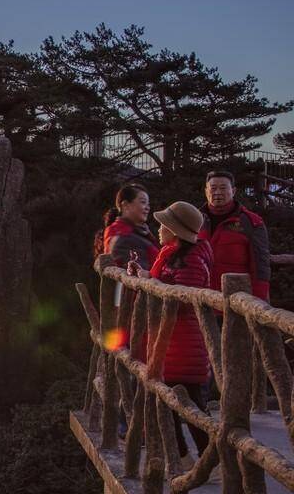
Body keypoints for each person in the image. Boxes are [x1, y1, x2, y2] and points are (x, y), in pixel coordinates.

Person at [143, 200, 215, 469]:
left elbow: (184, 300)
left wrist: (155, 287)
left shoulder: (193, 260)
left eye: (164, 225)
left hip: (185, 343)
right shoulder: (171, 255)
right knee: (172, 404)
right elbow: (162, 285)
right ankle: (184, 458)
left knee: (192, 407)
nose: (159, 229)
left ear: (175, 230)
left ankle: (211, 460)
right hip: (172, 342)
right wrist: (144, 277)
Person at [199, 170, 270, 300]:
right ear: (206, 191)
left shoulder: (251, 222)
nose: (218, 192)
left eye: (223, 188)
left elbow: (260, 263)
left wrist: (259, 298)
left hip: (236, 299)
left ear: (234, 191)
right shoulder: (195, 220)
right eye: (213, 188)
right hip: (200, 297)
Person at [97, 183, 160, 271]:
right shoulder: (123, 236)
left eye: (148, 204)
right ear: (125, 205)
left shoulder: (138, 233)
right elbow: (137, 273)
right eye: (143, 202)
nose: (147, 207)